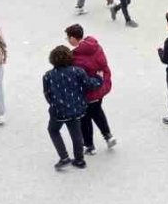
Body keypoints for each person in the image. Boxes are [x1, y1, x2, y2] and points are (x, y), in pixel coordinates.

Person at [43, 45, 102, 170]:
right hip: (76, 109)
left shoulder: (48, 76)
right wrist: (99, 78)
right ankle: (79, 160)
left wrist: (53, 104)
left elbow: (47, 94)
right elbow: (90, 84)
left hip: (58, 111)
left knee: (53, 130)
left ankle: (64, 157)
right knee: (76, 134)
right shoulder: (78, 71)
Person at [66, 24, 117, 154]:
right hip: (100, 88)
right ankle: (108, 136)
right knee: (97, 111)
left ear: (73, 38)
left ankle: (89, 145)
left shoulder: (76, 57)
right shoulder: (96, 46)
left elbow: (79, 77)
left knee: (85, 118)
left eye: (68, 38)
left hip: (88, 91)